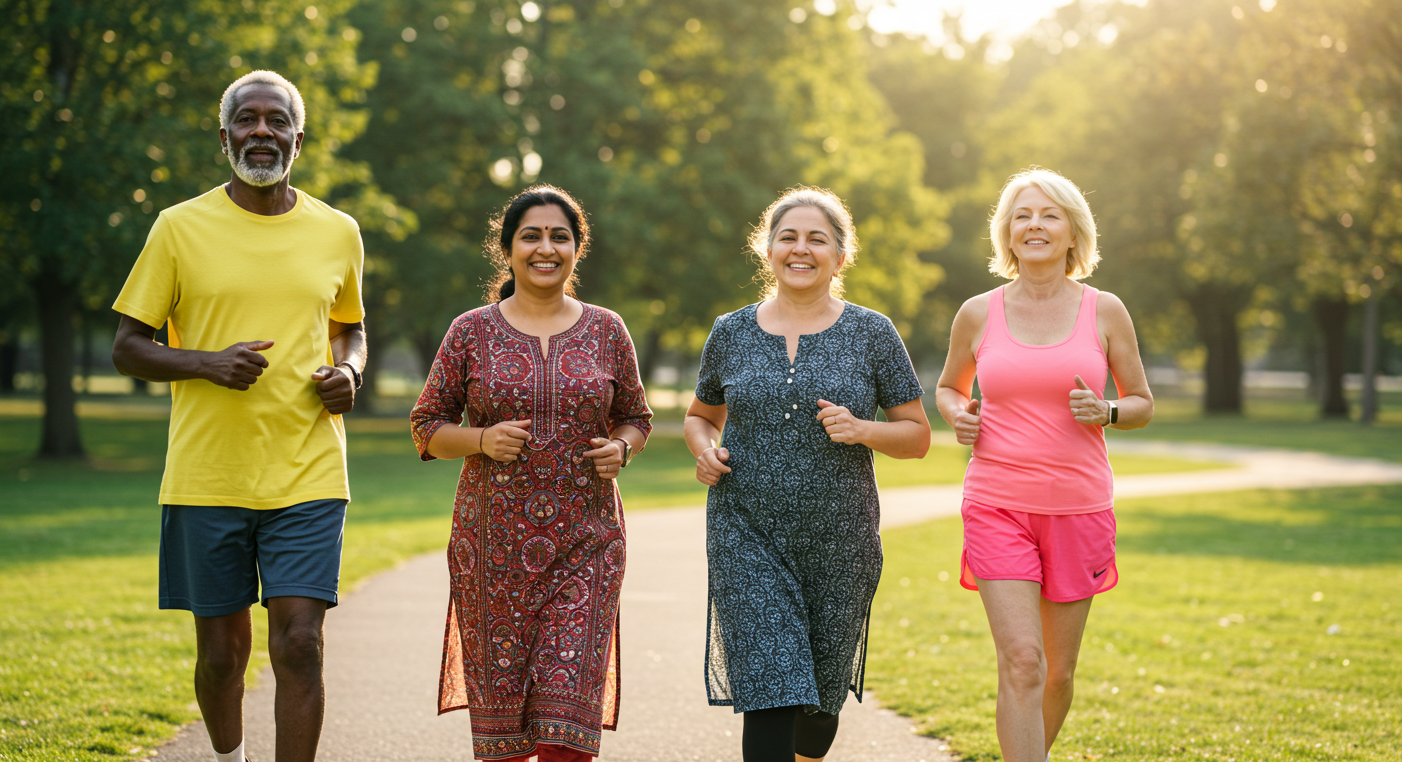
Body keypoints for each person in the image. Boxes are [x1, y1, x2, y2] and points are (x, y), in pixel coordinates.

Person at [111, 71, 366, 762]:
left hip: (308, 470)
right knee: (221, 657)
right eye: (247, 120)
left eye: (275, 121)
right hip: (206, 474)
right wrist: (204, 363)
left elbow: (351, 327)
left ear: (298, 138)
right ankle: (231, 758)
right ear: (224, 136)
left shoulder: (339, 232)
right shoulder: (177, 228)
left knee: (301, 645)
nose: (262, 132)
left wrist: (350, 372)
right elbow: (127, 347)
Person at [684, 187, 931, 762]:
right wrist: (705, 449)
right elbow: (701, 416)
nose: (801, 249)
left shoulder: (872, 333)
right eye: (788, 237)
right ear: (766, 250)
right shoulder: (730, 331)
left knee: (815, 716)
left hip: (838, 541)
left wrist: (863, 429)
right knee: (770, 691)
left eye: (817, 238)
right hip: (745, 529)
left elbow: (917, 436)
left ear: (840, 256)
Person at [409, 186, 651, 762]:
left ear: (577, 248)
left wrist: (621, 448)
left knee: (566, 721)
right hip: (492, 552)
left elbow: (637, 418)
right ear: (508, 248)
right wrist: (481, 440)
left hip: (587, 544)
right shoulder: (470, 330)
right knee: (505, 734)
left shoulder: (607, 329)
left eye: (560, 236)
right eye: (532, 236)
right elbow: (425, 426)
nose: (546, 248)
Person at [934, 168, 1154, 762]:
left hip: (1079, 507)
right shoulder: (977, 313)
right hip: (996, 502)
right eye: (1022, 215)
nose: (1035, 225)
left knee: (1057, 674)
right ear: (1006, 232)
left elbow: (1141, 403)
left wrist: (1106, 410)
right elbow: (950, 387)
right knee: (1023, 663)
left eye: (1049, 215)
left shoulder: (1105, 311)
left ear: (1072, 232)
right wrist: (959, 414)